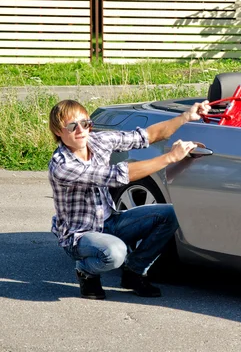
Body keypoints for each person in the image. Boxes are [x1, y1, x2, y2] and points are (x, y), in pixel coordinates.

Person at [48, 99, 210, 300]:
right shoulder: (63, 166)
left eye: (85, 123)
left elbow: (148, 136)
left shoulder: (98, 141)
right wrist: (170, 157)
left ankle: (134, 272)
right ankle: (86, 270)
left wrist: (186, 116)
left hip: (110, 221)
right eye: (72, 126)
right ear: (58, 131)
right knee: (115, 253)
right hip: (80, 236)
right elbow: (120, 174)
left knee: (169, 214)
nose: (80, 130)